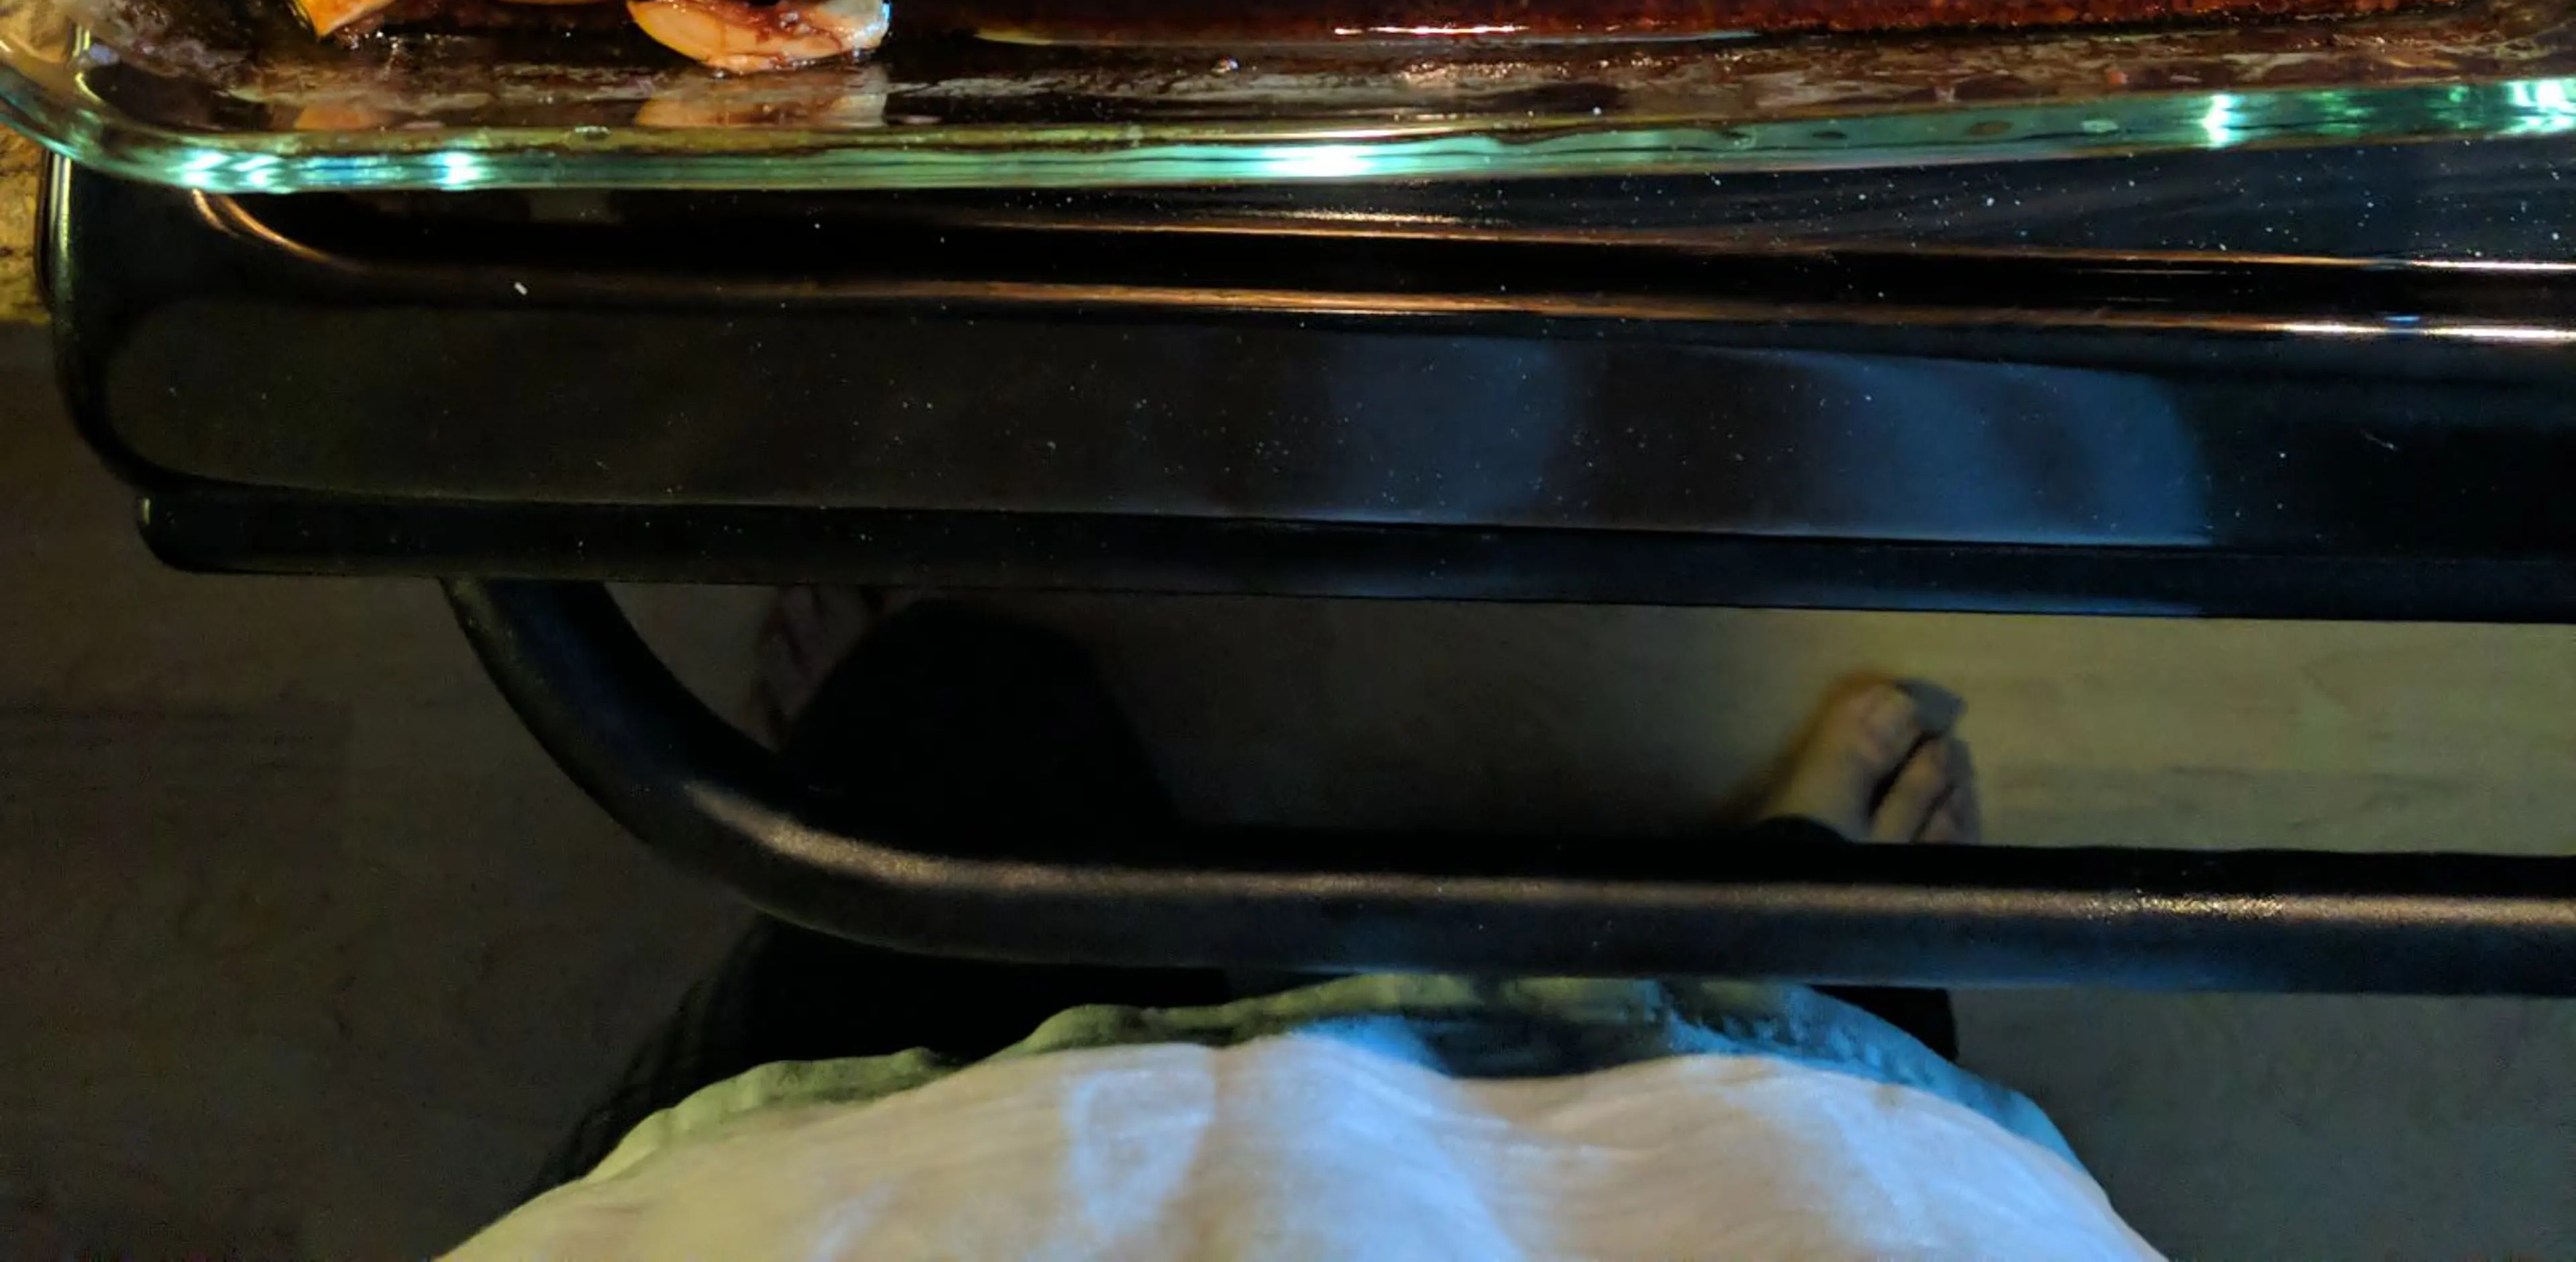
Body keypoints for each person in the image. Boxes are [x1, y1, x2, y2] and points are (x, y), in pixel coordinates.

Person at [444, 605, 2165, 1260]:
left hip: (905, 1187)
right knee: (1824, 1098)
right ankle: (1792, 906)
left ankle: (918, 729)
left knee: (946, 752)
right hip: (1758, 1209)